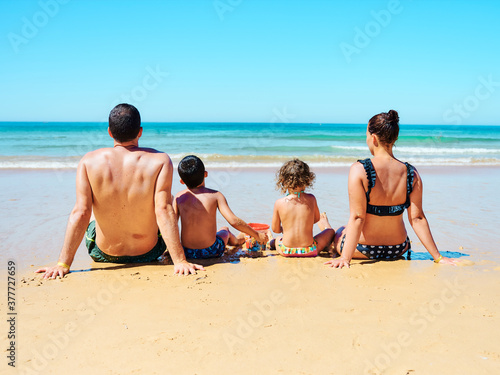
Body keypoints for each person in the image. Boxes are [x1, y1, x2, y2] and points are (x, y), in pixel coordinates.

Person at [36, 104, 204, 278]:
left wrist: (63, 264)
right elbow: (163, 210)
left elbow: (81, 213)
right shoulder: (160, 161)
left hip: (103, 254)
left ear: (110, 132)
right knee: (165, 200)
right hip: (149, 253)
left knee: (89, 208)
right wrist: (180, 261)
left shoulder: (88, 161)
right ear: (140, 131)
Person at [325, 110, 457, 268]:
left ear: (373, 138)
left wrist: (345, 258)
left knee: (340, 230)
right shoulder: (411, 173)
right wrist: (438, 257)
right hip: (398, 249)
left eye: (366, 135)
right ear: (394, 138)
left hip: (362, 250)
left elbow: (358, 217)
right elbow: (417, 218)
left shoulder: (359, 169)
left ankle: (325, 227)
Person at [173, 155, 268, 259]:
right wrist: (257, 235)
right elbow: (234, 221)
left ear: (182, 181)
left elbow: (171, 225)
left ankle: (239, 238)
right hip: (211, 251)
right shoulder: (216, 195)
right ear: (205, 174)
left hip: (187, 252)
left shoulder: (178, 197)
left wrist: (173, 249)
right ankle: (239, 240)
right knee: (225, 230)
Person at [269, 159, 334, 257]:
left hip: (286, 251)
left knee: (278, 239)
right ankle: (326, 245)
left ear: (283, 181)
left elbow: (276, 229)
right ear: (307, 180)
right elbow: (316, 219)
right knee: (330, 231)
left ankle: (271, 242)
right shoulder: (311, 199)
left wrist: (285, 228)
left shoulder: (279, 203)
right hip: (309, 250)